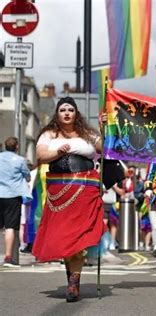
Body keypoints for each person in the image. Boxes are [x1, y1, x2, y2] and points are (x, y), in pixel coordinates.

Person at [32, 97, 105, 302]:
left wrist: (104, 128)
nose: (66, 113)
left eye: (70, 109)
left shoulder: (88, 133)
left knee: (78, 238)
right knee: (66, 238)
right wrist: (57, 151)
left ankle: (73, 284)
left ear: (76, 113)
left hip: (85, 189)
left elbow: (104, 148)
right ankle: (73, 281)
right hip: (59, 191)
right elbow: (41, 156)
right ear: (57, 113)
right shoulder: (49, 134)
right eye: (62, 109)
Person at [0, 137, 31, 266]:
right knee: (10, 227)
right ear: (17, 146)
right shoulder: (20, 160)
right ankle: (8, 256)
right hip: (13, 196)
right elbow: (27, 176)